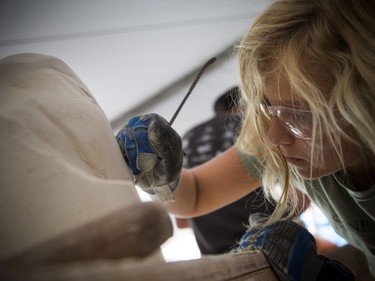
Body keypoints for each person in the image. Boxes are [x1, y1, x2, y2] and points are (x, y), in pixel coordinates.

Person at [117, 0, 375, 278]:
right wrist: (161, 178)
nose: (275, 136)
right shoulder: (288, 144)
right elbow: (197, 195)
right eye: (267, 105)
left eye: (299, 115)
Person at [179, 87, 275, 255]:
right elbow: (298, 195)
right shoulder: (249, 125)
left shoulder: (186, 139)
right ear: (243, 105)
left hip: (217, 254)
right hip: (267, 240)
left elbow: (181, 219)